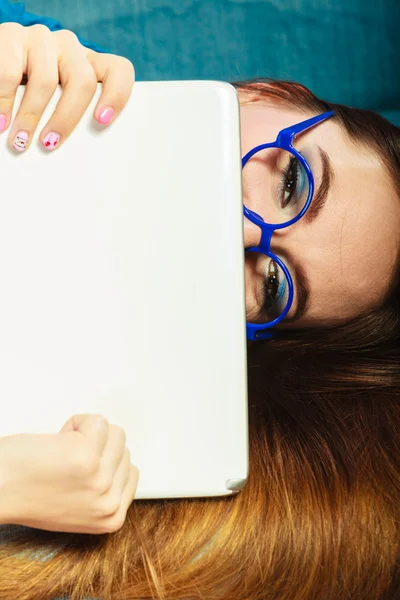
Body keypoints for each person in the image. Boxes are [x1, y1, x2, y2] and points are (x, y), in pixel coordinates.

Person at [0, 19, 398, 600]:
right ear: (270, 95)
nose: (237, 233)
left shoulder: (70, 433)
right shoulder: (35, 62)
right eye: (291, 183)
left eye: (273, 283)